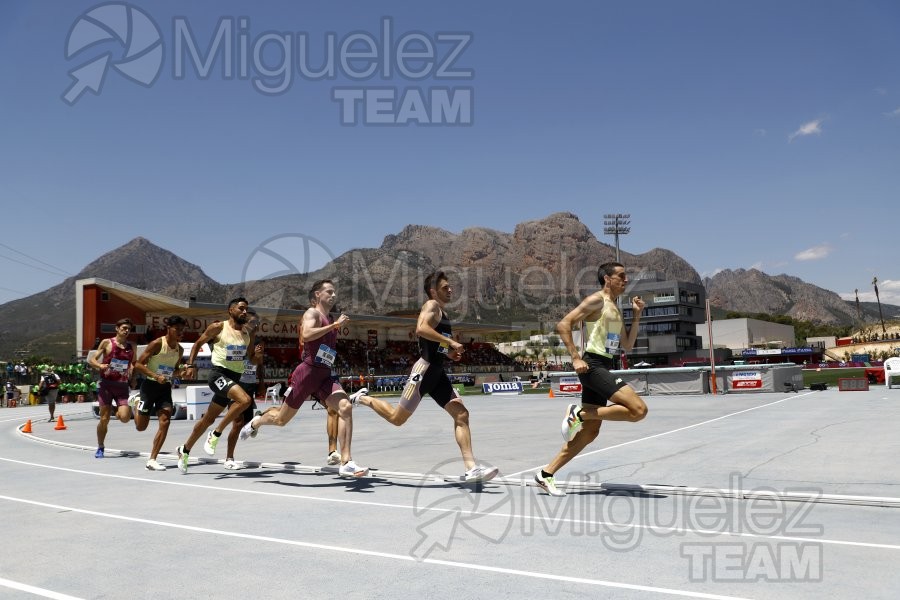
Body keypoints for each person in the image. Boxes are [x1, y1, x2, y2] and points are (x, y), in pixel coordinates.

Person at [355, 271, 499, 483]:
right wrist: (450, 343)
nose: (450, 290)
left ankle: (471, 468)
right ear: (433, 291)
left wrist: (449, 353)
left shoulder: (444, 314)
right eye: (445, 287)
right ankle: (362, 398)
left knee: (461, 415)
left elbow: (434, 344)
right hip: (423, 371)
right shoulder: (431, 306)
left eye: (450, 287)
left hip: (438, 372)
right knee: (397, 419)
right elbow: (421, 329)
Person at [533, 261, 648, 497]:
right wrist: (575, 357)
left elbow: (627, 345)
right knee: (638, 410)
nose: (626, 280)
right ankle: (578, 413)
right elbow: (563, 324)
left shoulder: (615, 308)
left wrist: (637, 316)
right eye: (621, 276)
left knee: (589, 433)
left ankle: (546, 474)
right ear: (607, 278)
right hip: (593, 365)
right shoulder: (597, 300)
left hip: (603, 364)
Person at [240, 280, 368, 478]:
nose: (333, 295)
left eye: (335, 292)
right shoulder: (312, 314)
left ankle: (346, 461)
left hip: (325, 374)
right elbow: (307, 335)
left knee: (345, 407)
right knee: (281, 420)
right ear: (317, 294)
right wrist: (335, 325)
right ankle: (256, 422)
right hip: (306, 374)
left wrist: (333, 324)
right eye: (329, 292)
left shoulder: (331, 317)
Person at [176, 298, 258, 474]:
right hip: (218, 375)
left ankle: (185, 449)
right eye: (241, 308)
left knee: (208, 419)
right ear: (230, 310)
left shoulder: (246, 335)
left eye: (246, 309)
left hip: (234, 378)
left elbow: (250, 359)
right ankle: (216, 433)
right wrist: (190, 365)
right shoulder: (218, 327)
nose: (245, 312)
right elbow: (198, 343)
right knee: (245, 400)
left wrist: (257, 355)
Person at [133, 315, 188, 471]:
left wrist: (182, 372)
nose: (180, 332)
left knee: (165, 421)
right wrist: (156, 376)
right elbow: (137, 364)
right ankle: (137, 403)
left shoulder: (180, 349)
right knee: (140, 427)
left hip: (164, 389)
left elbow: (174, 371)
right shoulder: (157, 344)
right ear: (168, 329)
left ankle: (152, 459)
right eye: (177, 329)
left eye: (182, 329)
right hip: (149, 387)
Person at [88, 318, 136, 458]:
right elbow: (92, 359)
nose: (126, 331)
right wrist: (100, 366)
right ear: (117, 328)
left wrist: (133, 378)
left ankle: (114, 409)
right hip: (106, 385)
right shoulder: (107, 342)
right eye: (124, 328)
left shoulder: (132, 346)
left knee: (125, 418)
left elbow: (133, 364)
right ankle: (101, 446)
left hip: (122, 386)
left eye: (129, 329)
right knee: (104, 419)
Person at [222, 310, 265, 470]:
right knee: (237, 422)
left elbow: (260, 363)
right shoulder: (235, 338)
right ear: (244, 323)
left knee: (246, 426)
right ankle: (229, 458)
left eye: (257, 324)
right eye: (253, 323)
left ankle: (257, 419)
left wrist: (261, 382)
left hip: (250, 384)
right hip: (235, 384)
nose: (255, 326)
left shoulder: (259, 341)